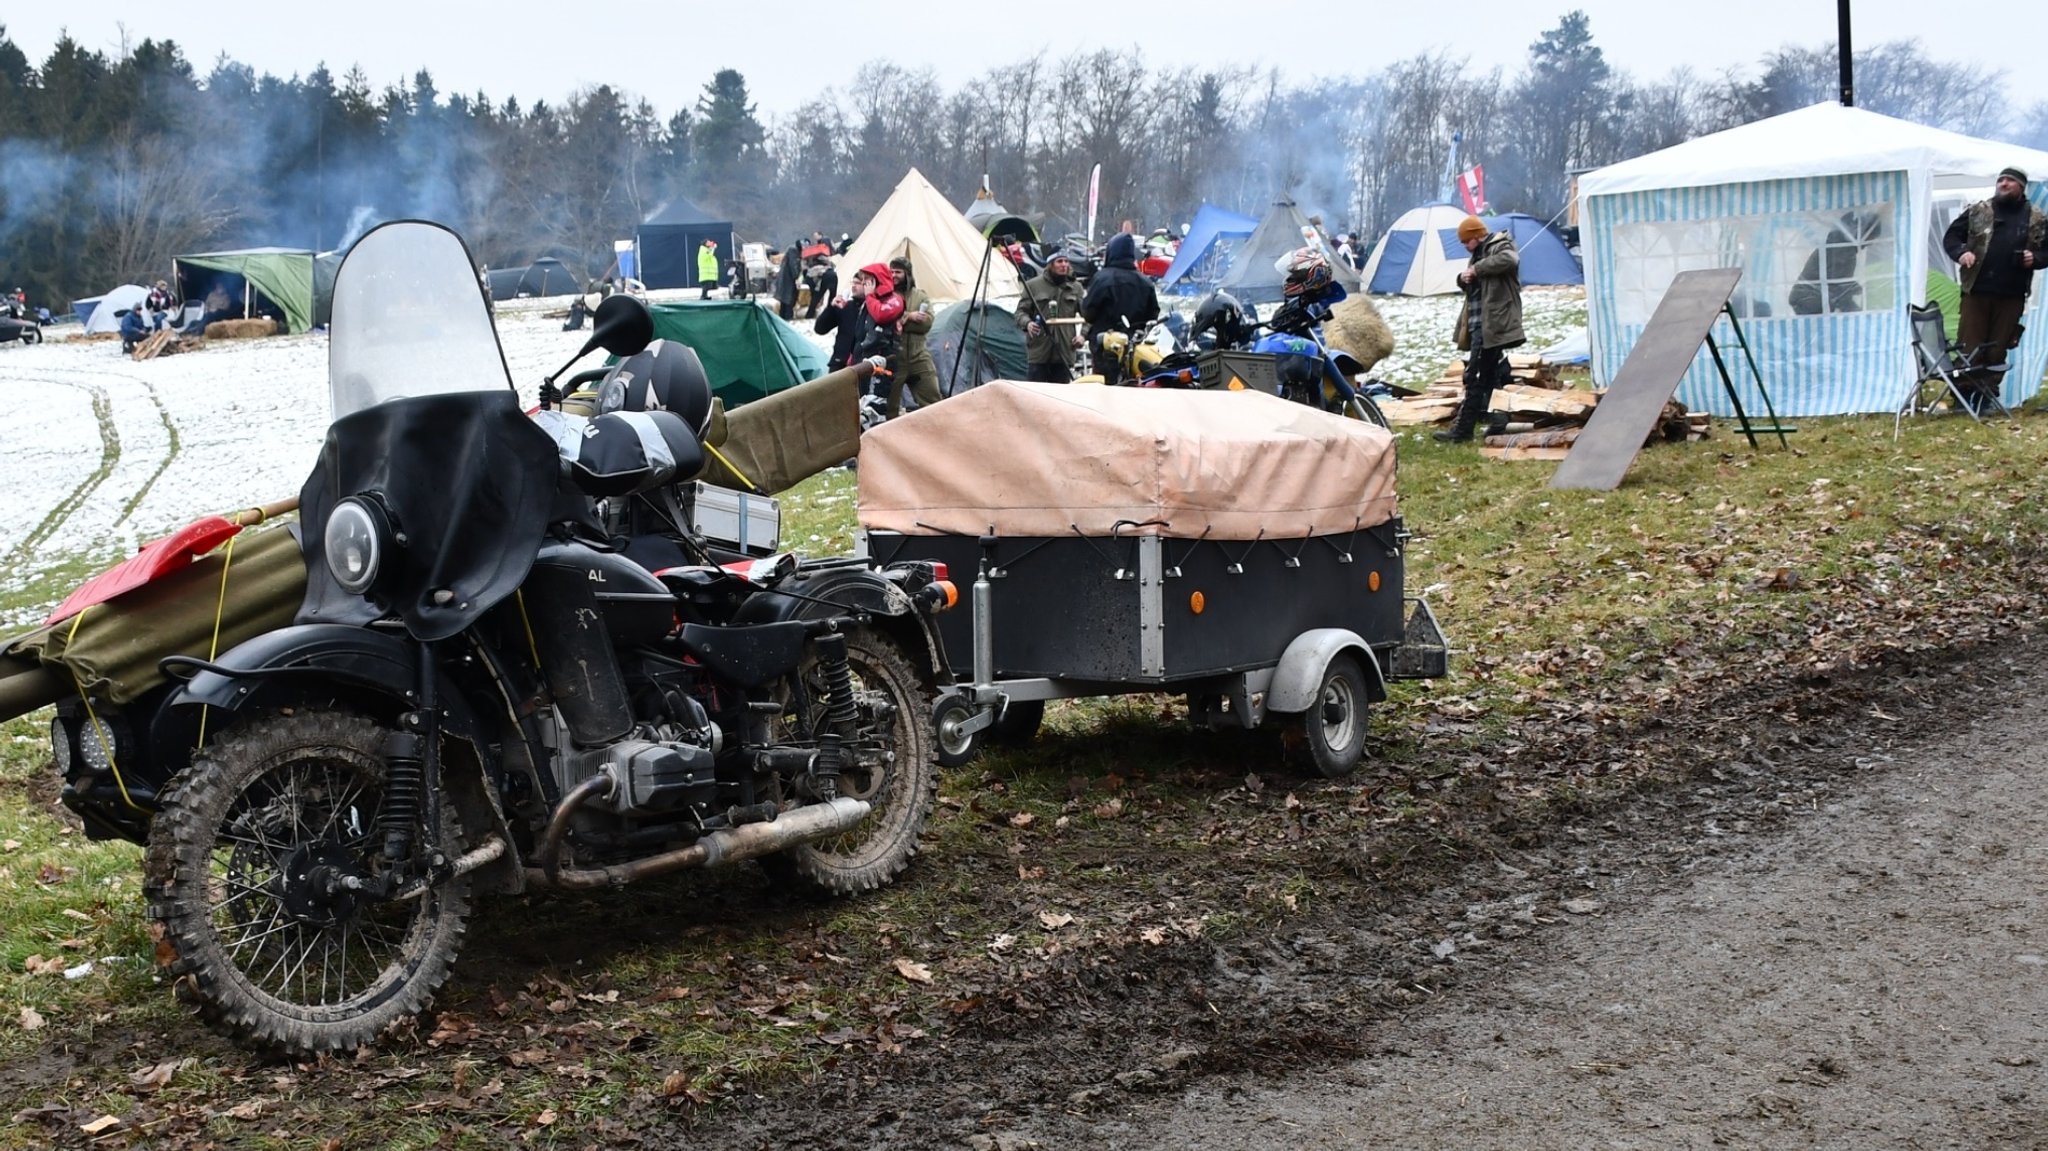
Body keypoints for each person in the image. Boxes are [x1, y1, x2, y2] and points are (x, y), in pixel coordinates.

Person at [1941, 166, 2048, 412]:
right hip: (1976, 292)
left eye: (2010, 180)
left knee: (1998, 348)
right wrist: (1962, 252)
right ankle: (1962, 399)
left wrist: (2036, 258)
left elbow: (2046, 252)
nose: (2003, 184)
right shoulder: (1979, 211)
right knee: (1970, 346)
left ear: (2021, 187)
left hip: (2012, 295)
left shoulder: (2037, 218)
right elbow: (1951, 238)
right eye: (2001, 180)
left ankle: (1986, 398)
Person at [1436, 215, 1524, 444]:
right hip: (1478, 324)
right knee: (1489, 375)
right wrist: (1463, 278)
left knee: (1474, 376)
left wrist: (1476, 269)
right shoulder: (1478, 254)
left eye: (1466, 241)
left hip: (1492, 324)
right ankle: (1499, 423)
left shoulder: (1499, 244)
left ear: (1476, 235)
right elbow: (1474, 282)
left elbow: (1509, 260)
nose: (1465, 246)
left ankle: (1463, 430)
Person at [1081, 231, 1161, 385]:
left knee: (1104, 389)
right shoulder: (1145, 282)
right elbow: (1154, 315)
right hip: (1136, 346)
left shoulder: (1102, 278)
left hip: (1105, 347)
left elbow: (1088, 313)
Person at [1016, 250, 1085, 383]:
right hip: (1039, 352)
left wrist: (1083, 335)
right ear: (1050, 265)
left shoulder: (1076, 288)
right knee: (1036, 396)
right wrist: (1028, 323)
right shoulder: (1033, 286)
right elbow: (1020, 312)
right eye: (1059, 261)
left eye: (1066, 261)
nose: (1064, 265)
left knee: (1060, 397)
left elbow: (1089, 316)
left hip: (1064, 352)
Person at [814, 268, 872, 371]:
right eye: (853, 283)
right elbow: (820, 329)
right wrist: (831, 308)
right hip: (839, 362)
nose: (854, 286)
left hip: (861, 365)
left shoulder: (873, 309)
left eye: (858, 283)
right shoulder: (846, 306)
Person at [774, 240, 803, 321]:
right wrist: (797, 276)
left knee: (785, 301)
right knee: (788, 300)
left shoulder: (792, 249)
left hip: (786, 279)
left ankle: (783, 318)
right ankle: (787, 318)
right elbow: (793, 266)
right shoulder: (793, 251)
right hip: (788, 280)